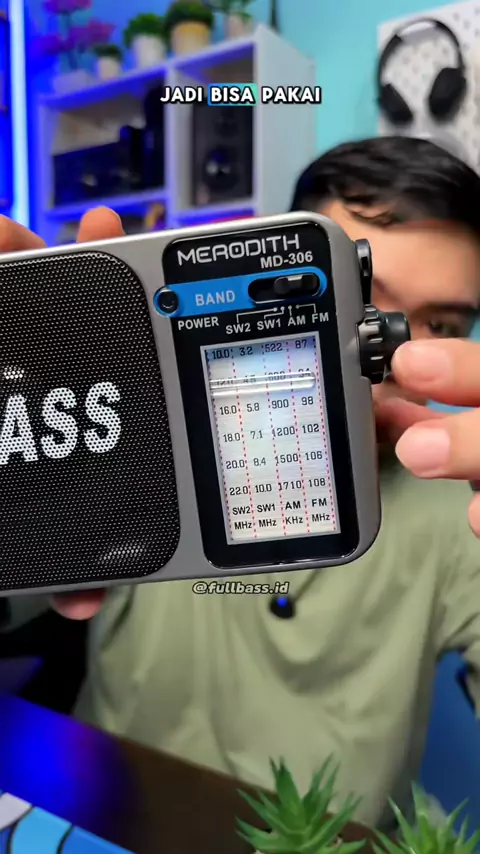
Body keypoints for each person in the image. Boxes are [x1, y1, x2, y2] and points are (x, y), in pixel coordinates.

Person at [2, 136, 480, 831]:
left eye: (441, 323)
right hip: (101, 816)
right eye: (356, 291)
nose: (388, 342)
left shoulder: (460, 511)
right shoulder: (135, 420)